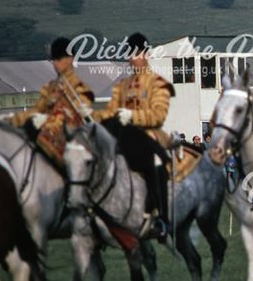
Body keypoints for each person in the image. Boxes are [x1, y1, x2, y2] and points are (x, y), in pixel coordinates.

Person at [94, 32, 173, 241]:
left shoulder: (158, 83)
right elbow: (109, 112)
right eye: (129, 54)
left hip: (150, 135)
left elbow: (158, 115)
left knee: (155, 164)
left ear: (145, 54)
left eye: (135, 54)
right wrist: (90, 116)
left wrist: (132, 115)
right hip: (124, 138)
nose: (131, 58)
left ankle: (162, 219)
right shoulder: (122, 85)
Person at [10, 36, 94, 168]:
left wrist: (47, 119)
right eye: (53, 59)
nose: (55, 63)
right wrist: (13, 119)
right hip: (44, 131)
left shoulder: (80, 87)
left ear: (70, 59)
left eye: (59, 59)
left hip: (68, 139)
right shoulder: (50, 87)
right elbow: (36, 110)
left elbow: (76, 116)